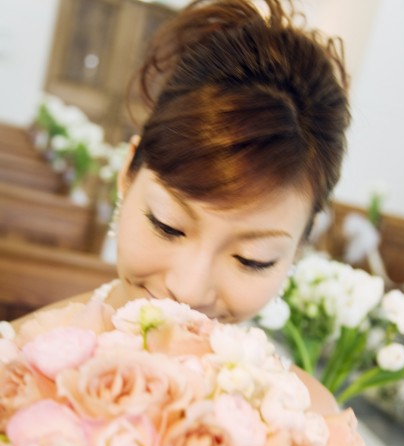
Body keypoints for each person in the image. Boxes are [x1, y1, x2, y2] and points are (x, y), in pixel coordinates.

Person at [14, 0, 350, 415]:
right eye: (167, 225)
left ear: (298, 249)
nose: (189, 291)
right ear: (127, 174)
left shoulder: (312, 424)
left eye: (252, 259)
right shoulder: (18, 365)